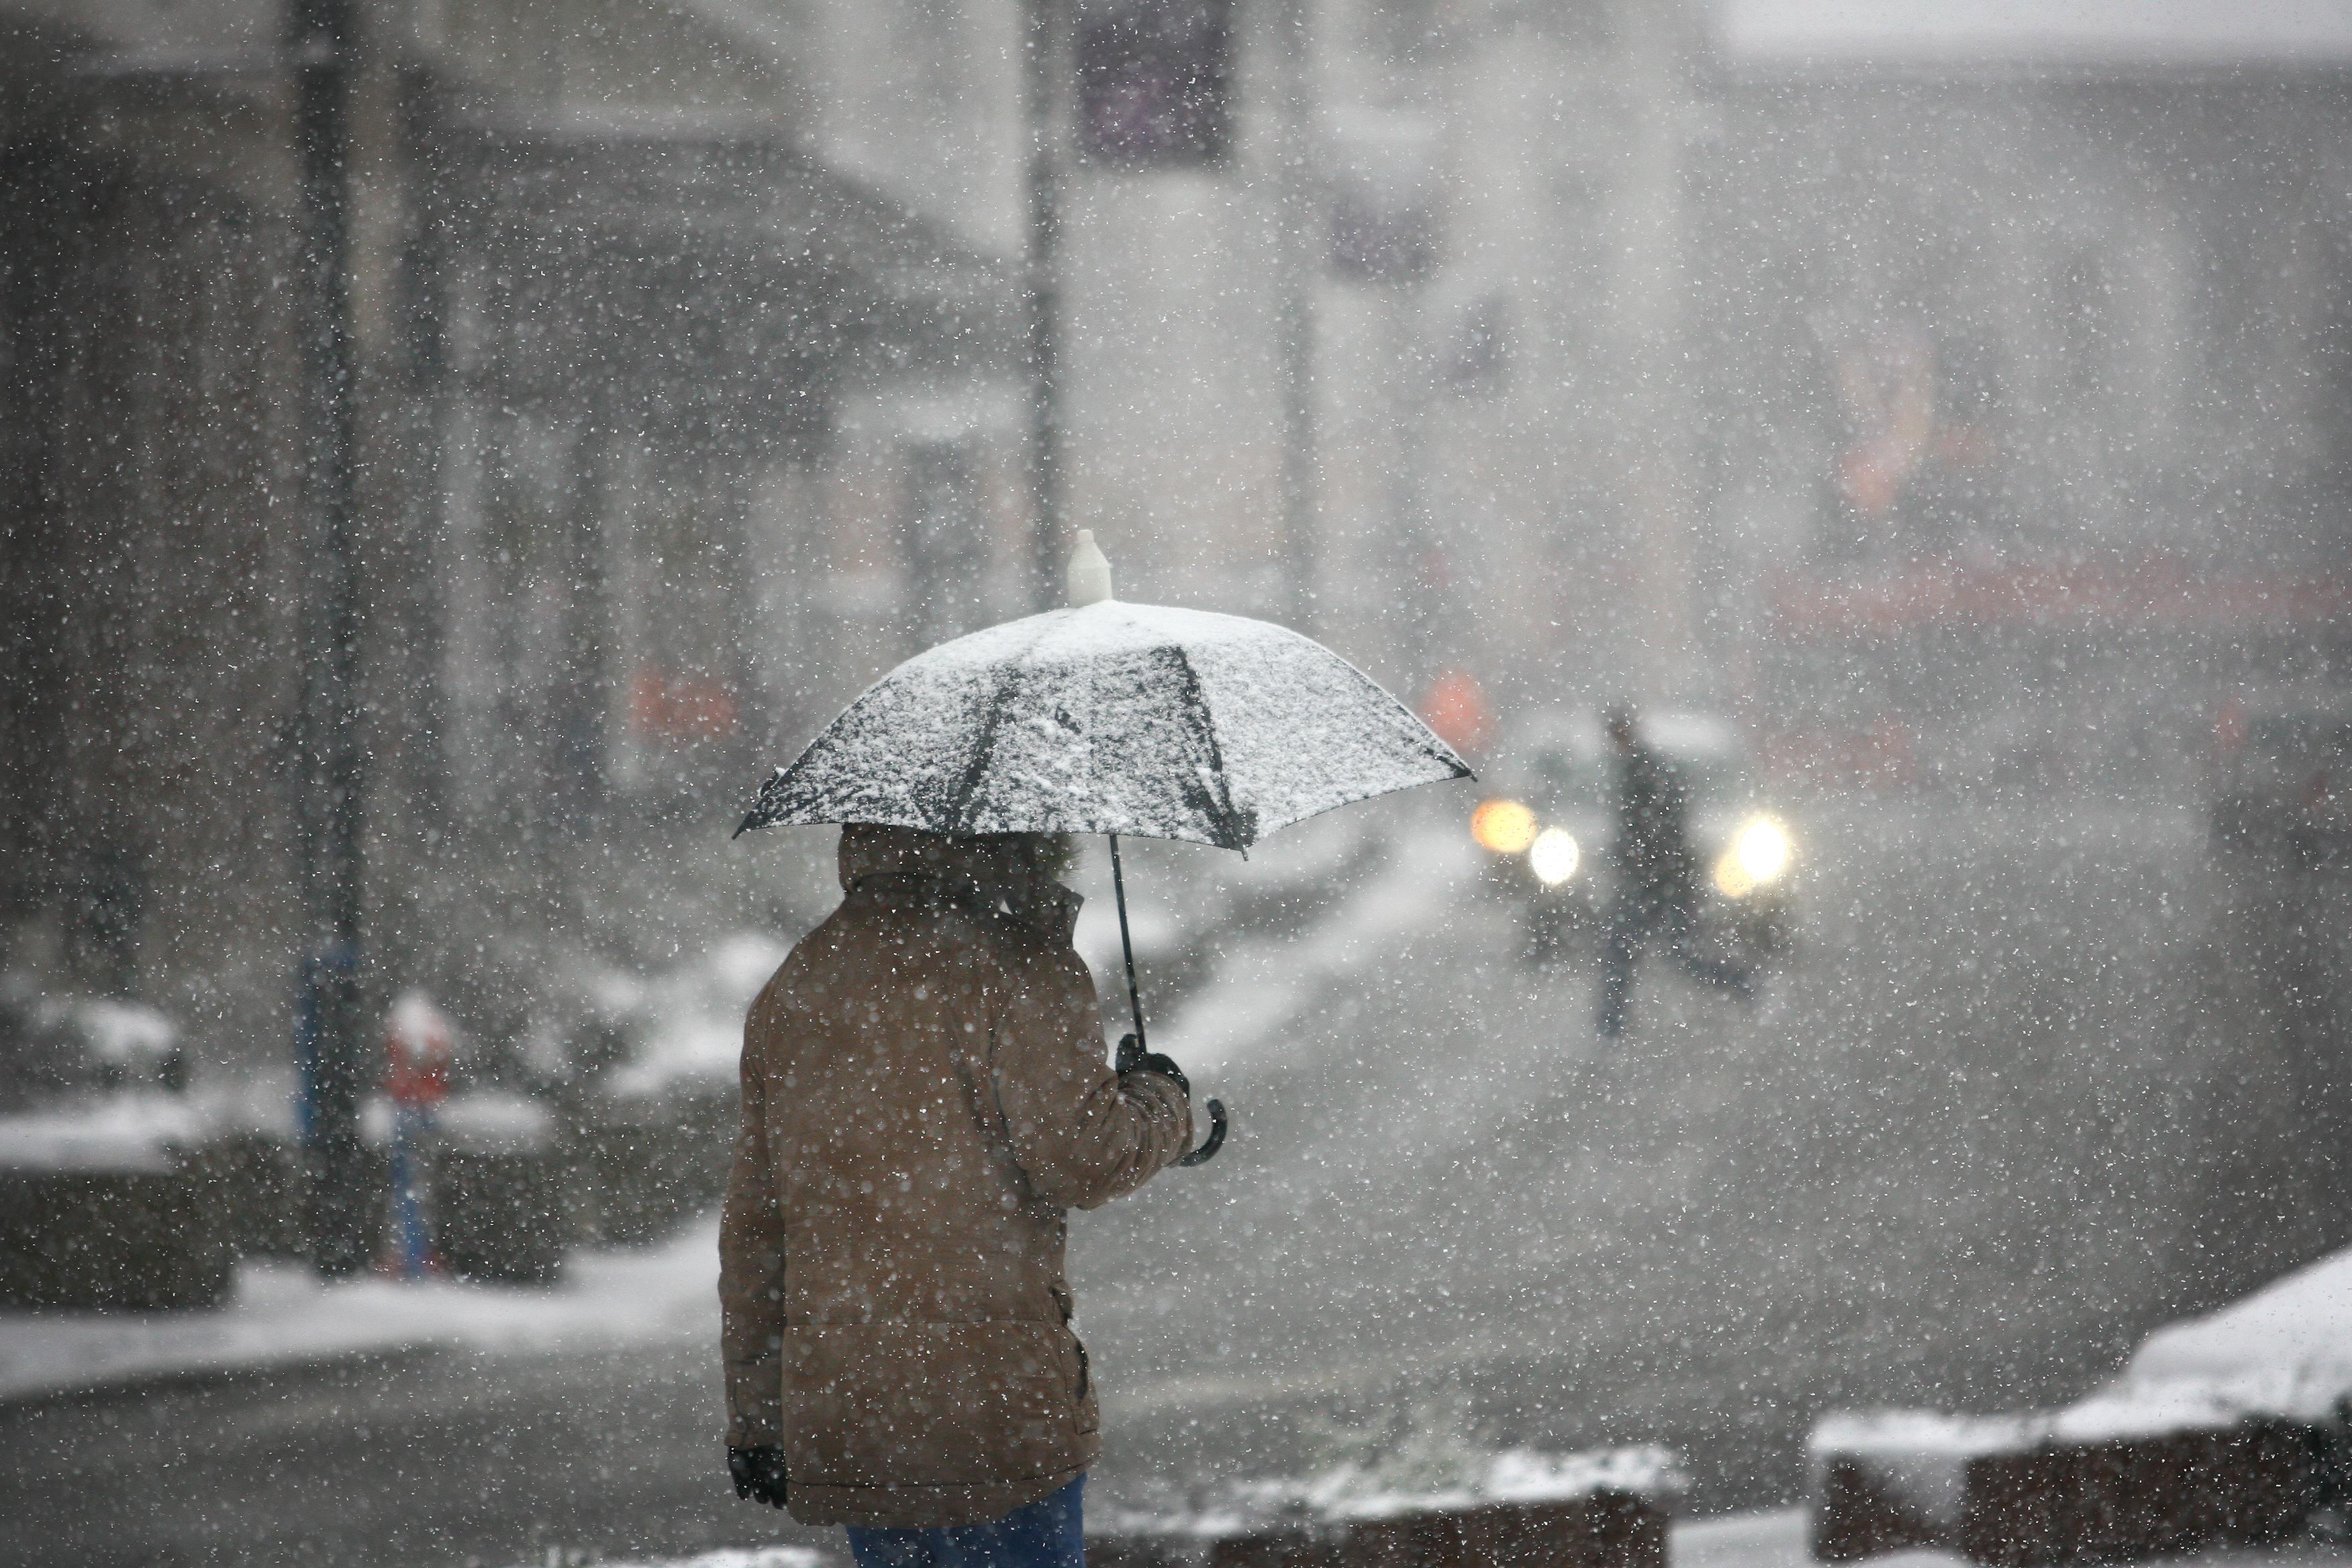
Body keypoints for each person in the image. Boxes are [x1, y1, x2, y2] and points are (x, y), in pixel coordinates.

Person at [720, 823, 1194, 1568]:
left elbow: (756, 1226)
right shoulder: (1023, 965)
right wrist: (1162, 1097)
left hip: (855, 1409)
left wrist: (757, 1417)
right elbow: (1085, 1157)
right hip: (996, 1403)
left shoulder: (801, 979)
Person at [1596, 704, 1752, 1037]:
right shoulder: (1640, 769)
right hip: (1660, 880)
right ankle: (1610, 1025)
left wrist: (1644, 862)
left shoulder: (1643, 771)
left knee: (1642, 952)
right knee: (1662, 953)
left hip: (1658, 881)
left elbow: (1659, 828)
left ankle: (1611, 1025)